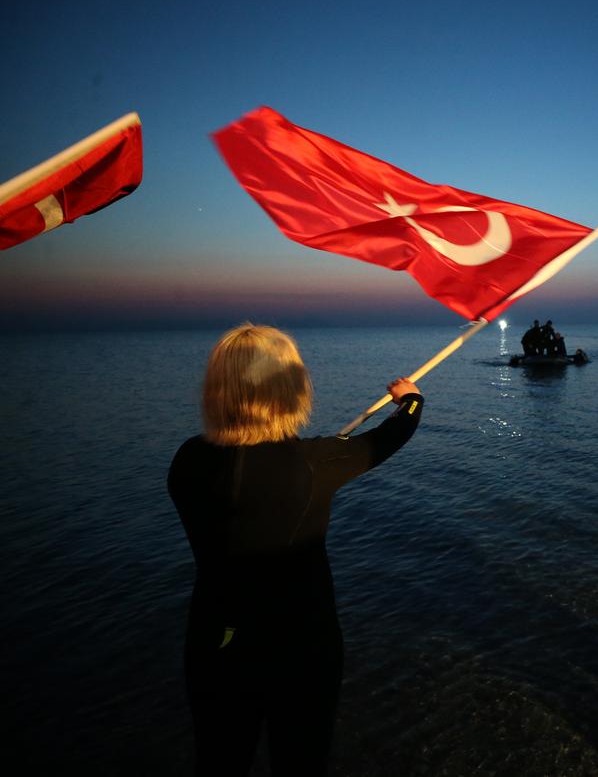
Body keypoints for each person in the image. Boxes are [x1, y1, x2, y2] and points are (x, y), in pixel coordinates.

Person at [167, 324, 424, 776]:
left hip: (215, 639)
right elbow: (389, 437)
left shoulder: (188, 459)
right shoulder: (315, 462)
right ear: (291, 388)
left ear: (217, 388)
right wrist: (412, 399)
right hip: (302, 646)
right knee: (301, 762)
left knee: (218, 760)